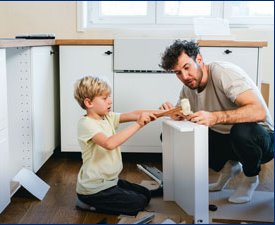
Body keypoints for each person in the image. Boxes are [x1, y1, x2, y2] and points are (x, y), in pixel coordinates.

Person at [159, 40, 274, 204]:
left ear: (199, 60)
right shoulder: (188, 88)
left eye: (187, 68)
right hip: (226, 138)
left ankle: (250, 178)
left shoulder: (223, 73)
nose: (184, 77)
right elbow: (182, 113)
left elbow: (259, 112)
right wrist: (173, 113)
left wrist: (214, 117)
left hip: (262, 138)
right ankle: (230, 167)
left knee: (242, 132)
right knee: (172, 135)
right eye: (178, 73)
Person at [74, 76, 162, 216]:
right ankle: (86, 203)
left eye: (109, 96)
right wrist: (139, 124)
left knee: (146, 194)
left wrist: (169, 113)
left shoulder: (107, 117)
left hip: (110, 181)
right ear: (89, 102)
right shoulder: (86, 124)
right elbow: (109, 143)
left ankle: (113, 195)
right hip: (94, 189)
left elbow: (135, 113)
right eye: (104, 98)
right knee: (138, 203)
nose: (110, 101)